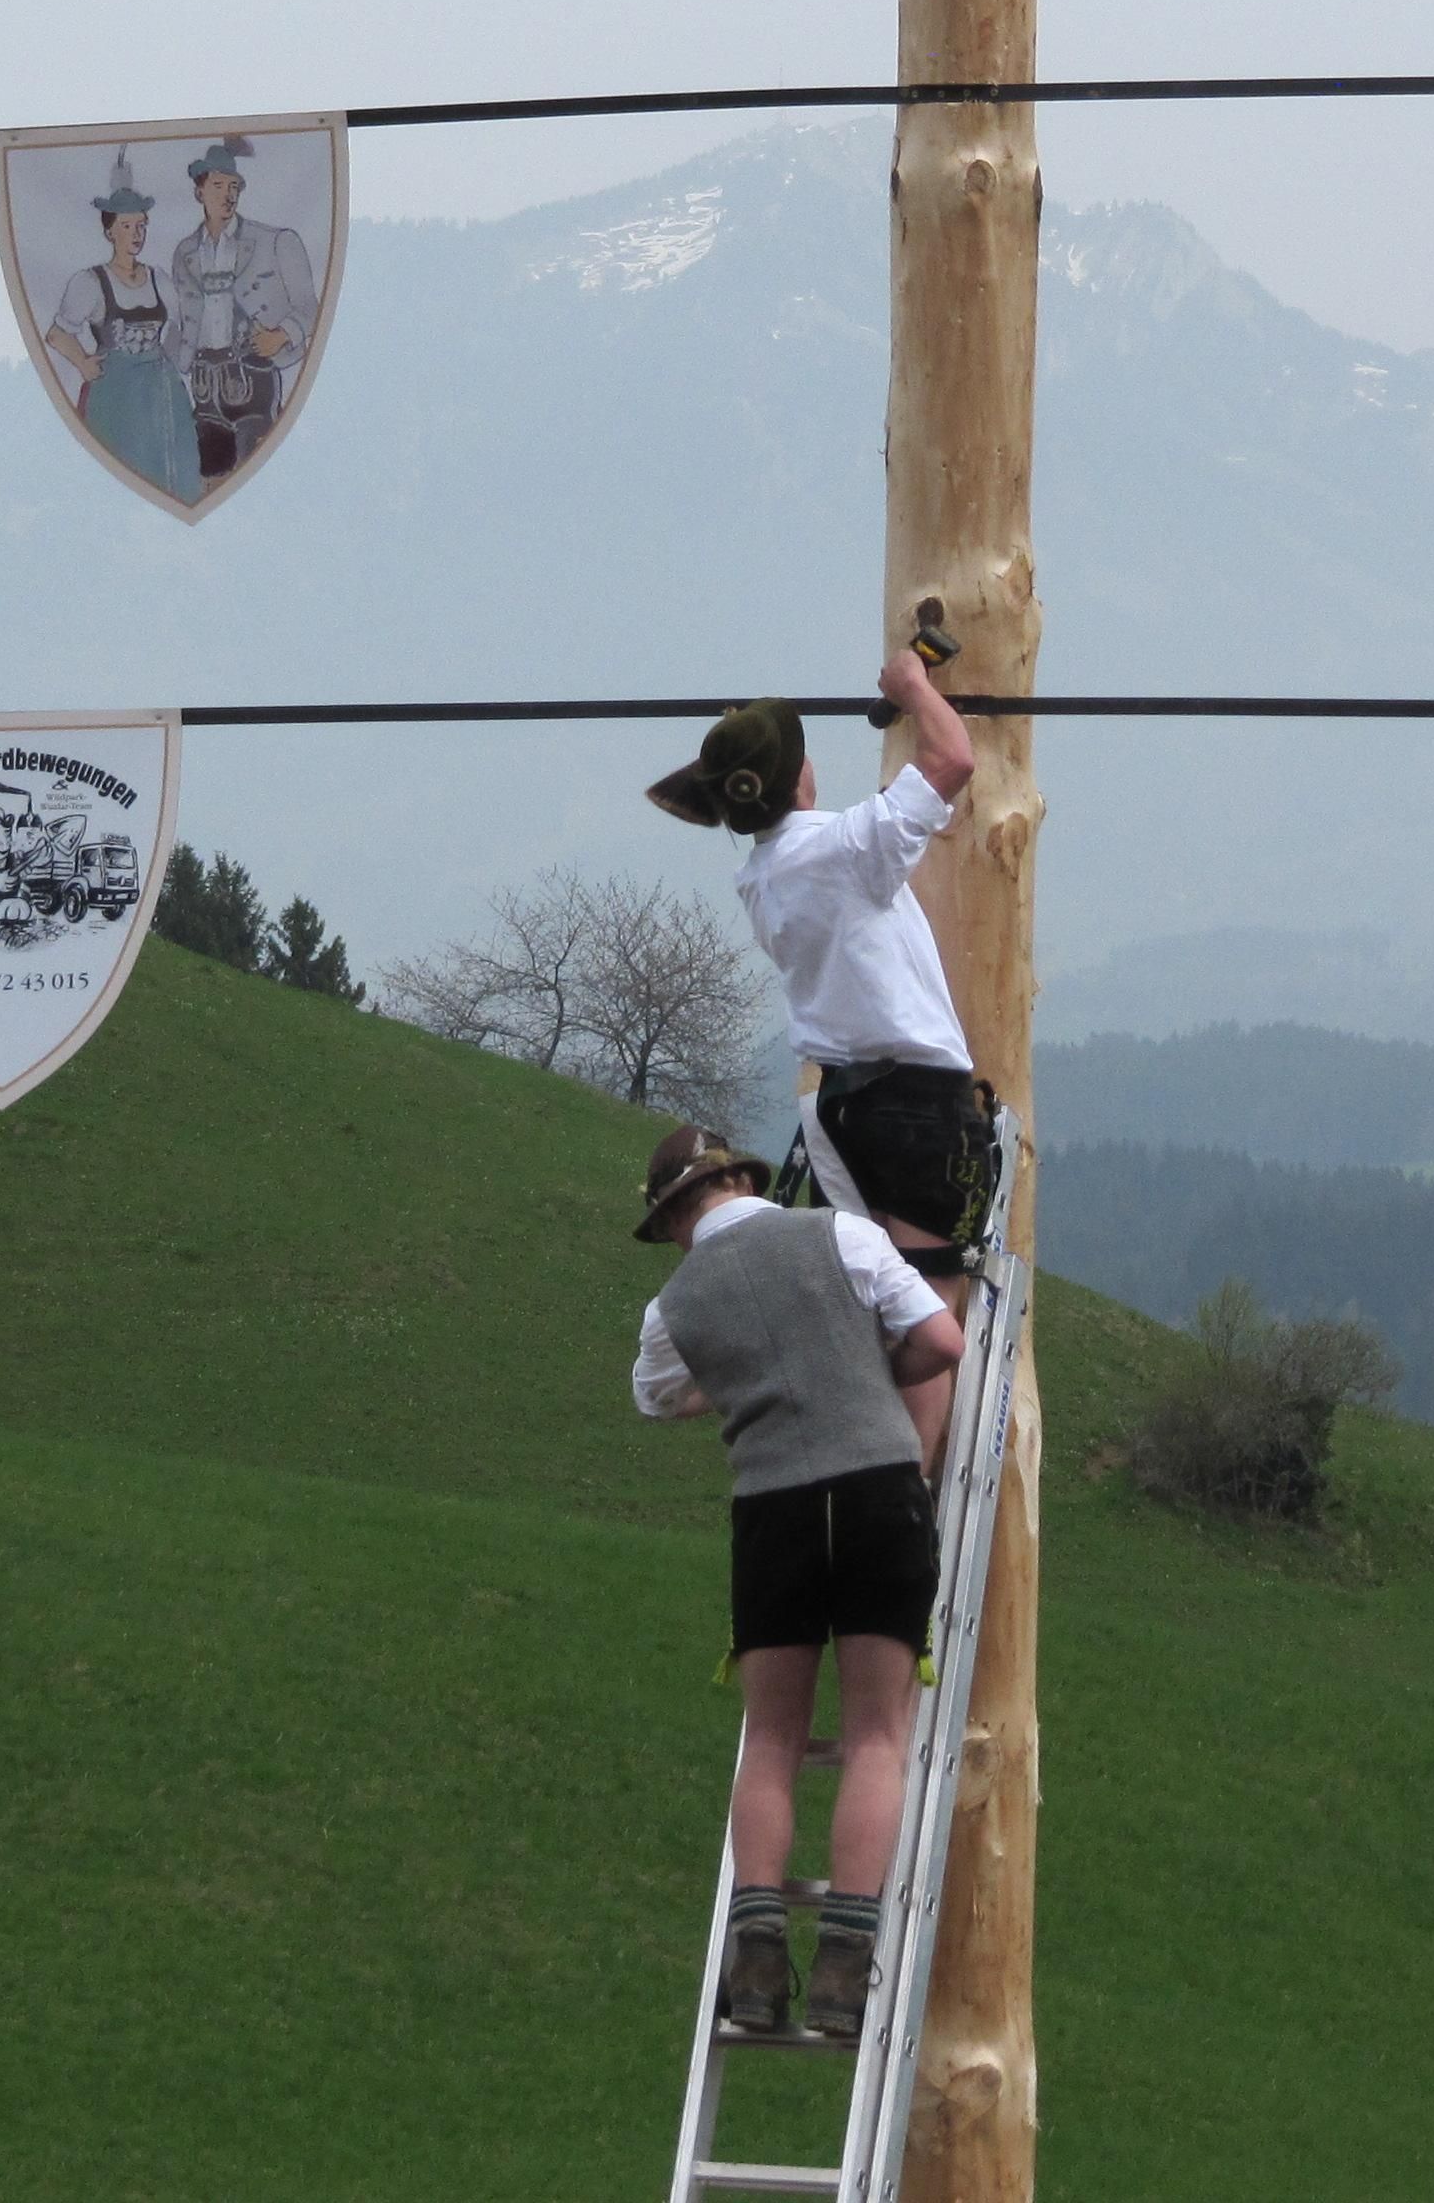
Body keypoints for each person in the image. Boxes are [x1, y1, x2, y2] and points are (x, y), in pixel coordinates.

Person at [631, 1121, 968, 2041]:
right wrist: (864, 1368)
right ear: (743, 1178)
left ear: (672, 1222)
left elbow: (655, 1395)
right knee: (875, 1739)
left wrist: (738, 1388)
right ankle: (844, 1973)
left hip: (771, 1513)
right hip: (875, 1497)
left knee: (771, 1742)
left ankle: (757, 1963)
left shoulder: (673, 1307)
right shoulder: (842, 1237)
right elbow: (941, 1342)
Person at [645, 648, 993, 1465]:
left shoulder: (763, 877)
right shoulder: (843, 851)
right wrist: (914, 687)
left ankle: (865, 1460)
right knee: (928, 1300)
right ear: (801, 776)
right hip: (914, 1104)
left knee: (880, 1302)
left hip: (842, 1109)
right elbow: (954, 759)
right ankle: (906, 1494)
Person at [41, 160, 203, 504]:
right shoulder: (91, 282)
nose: (136, 234)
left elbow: (179, 327)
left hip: (160, 394)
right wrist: (84, 363)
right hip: (116, 393)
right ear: (110, 231)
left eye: (141, 226)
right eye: (127, 226)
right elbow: (57, 334)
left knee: (170, 470)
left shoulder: (158, 279)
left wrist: (172, 366)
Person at [162, 135, 321, 482]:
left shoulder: (277, 241)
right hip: (204, 384)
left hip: (255, 377)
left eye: (234, 186)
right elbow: (180, 318)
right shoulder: (184, 252)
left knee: (256, 480)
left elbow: (311, 307)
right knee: (210, 480)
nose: (228, 195)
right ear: (199, 191)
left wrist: (281, 336)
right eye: (218, 185)